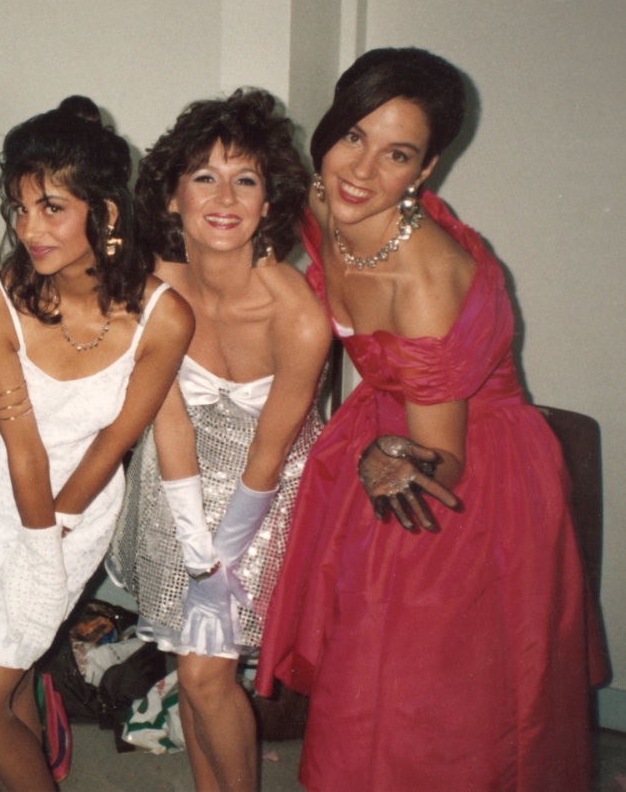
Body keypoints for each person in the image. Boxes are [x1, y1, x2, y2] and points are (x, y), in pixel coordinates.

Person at [254, 48, 604, 791]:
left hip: (458, 469)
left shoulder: (424, 276)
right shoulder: (324, 203)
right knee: (368, 671)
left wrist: (372, 456)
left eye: (397, 154)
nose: (361, 169)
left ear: (426, 170)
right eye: (353, 135)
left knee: (428, 701)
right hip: (385, 426)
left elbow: (438, 458)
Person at [0, 96, 193, 792]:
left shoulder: (163, 316)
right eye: (18, 208)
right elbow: (22, 445)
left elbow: (115, 440)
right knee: (9, 677)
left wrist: (53, 538)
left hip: (78, 507)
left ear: (103, 213)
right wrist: (31, 540)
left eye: (50, 208)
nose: (27, 228)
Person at [106, 88, 331, 791]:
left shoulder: (298, 316)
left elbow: (270, 454)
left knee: (207, 673)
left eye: (246, 178)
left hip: (263, 497)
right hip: (175, 478)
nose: (224, 196)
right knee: (187, 663)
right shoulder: (157, 289)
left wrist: (220, 563)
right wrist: (190, 540)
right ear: (172, 197)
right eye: (204, 175)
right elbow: (164, 415)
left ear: (271, 200)